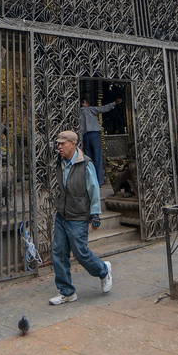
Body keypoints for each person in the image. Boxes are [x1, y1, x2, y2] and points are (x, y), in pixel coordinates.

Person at [49, 130, 111, 305]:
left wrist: (95, 214)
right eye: (58, 143)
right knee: (59, 252)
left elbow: (93, 189)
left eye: (63, 143)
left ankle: (103, 270)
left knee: (80, 252)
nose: (59, 147)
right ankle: (66, 291)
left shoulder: (86, 164)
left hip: (79, 215)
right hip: (62, 214)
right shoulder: (60, 162)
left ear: (73, 144)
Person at [79, 96, 122, 186]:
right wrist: (115, 103)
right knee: (98, 158)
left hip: (85, 137)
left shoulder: (78, 113)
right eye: (86, 102)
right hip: (94, 135)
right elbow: (103, 108)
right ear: (83, 104)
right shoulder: (90, 109)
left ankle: (90, 181)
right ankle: (99, 181)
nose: (88, 104)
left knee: (88, 160)